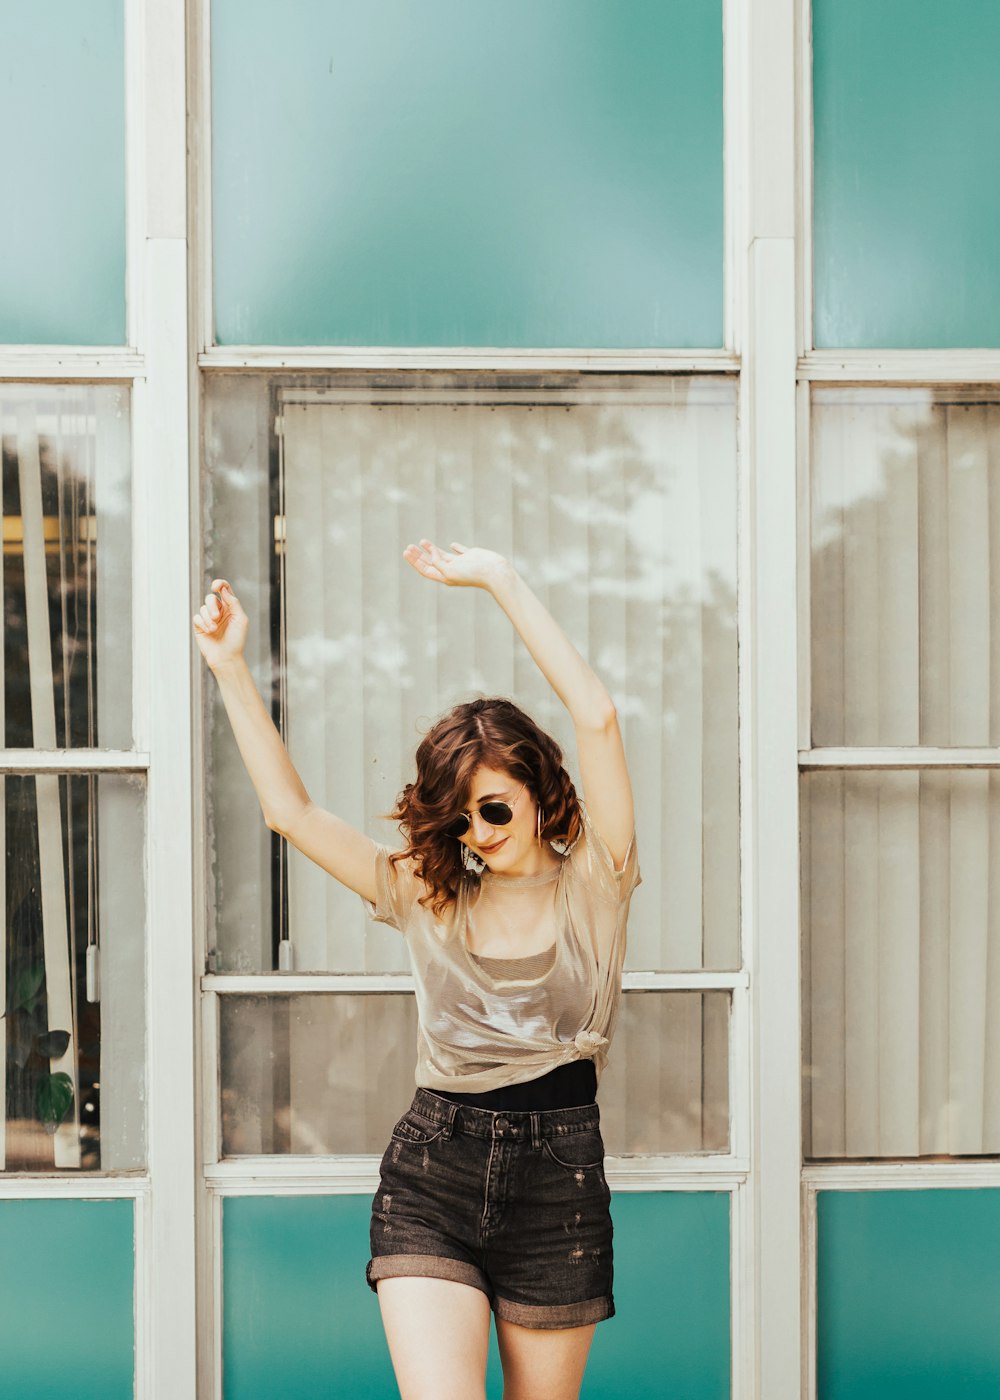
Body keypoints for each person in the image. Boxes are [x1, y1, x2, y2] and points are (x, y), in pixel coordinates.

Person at [193, 540, 640, 1400]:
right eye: (461, 818)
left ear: (543, 789)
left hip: (560, 1184)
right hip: (434, 1170)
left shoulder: (599, 883)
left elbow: (599, 718)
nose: (480, 830)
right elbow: (291, 813)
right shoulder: (429, 895)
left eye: (496, 806)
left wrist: (502, 580)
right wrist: (229, 667)